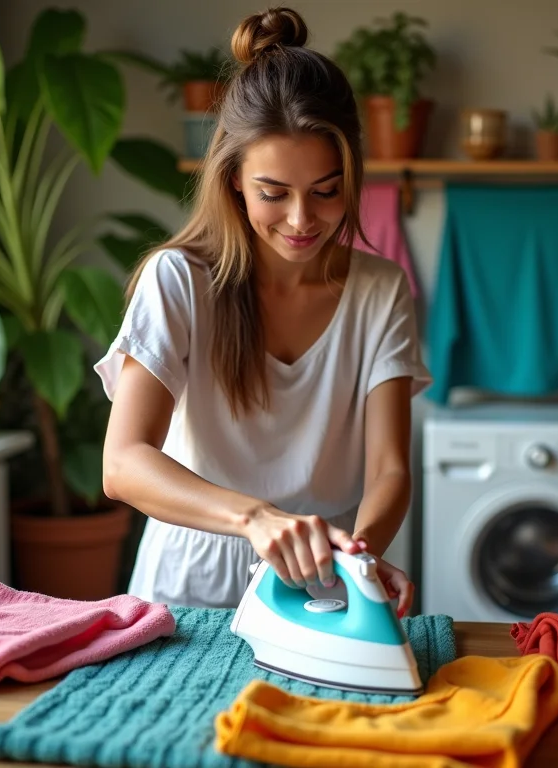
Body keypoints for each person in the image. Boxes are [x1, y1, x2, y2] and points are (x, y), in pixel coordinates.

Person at [95, 6, 430, 618]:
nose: (302, 220)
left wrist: (359, 551)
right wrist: (255, 518)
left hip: (322, 575)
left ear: (351, 178)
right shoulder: (180, 281)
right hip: (187, 583)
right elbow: (122, 465)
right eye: (273, 194)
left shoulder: (381, 290)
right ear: (234, 184)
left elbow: (390, 469)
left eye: (326, 192)